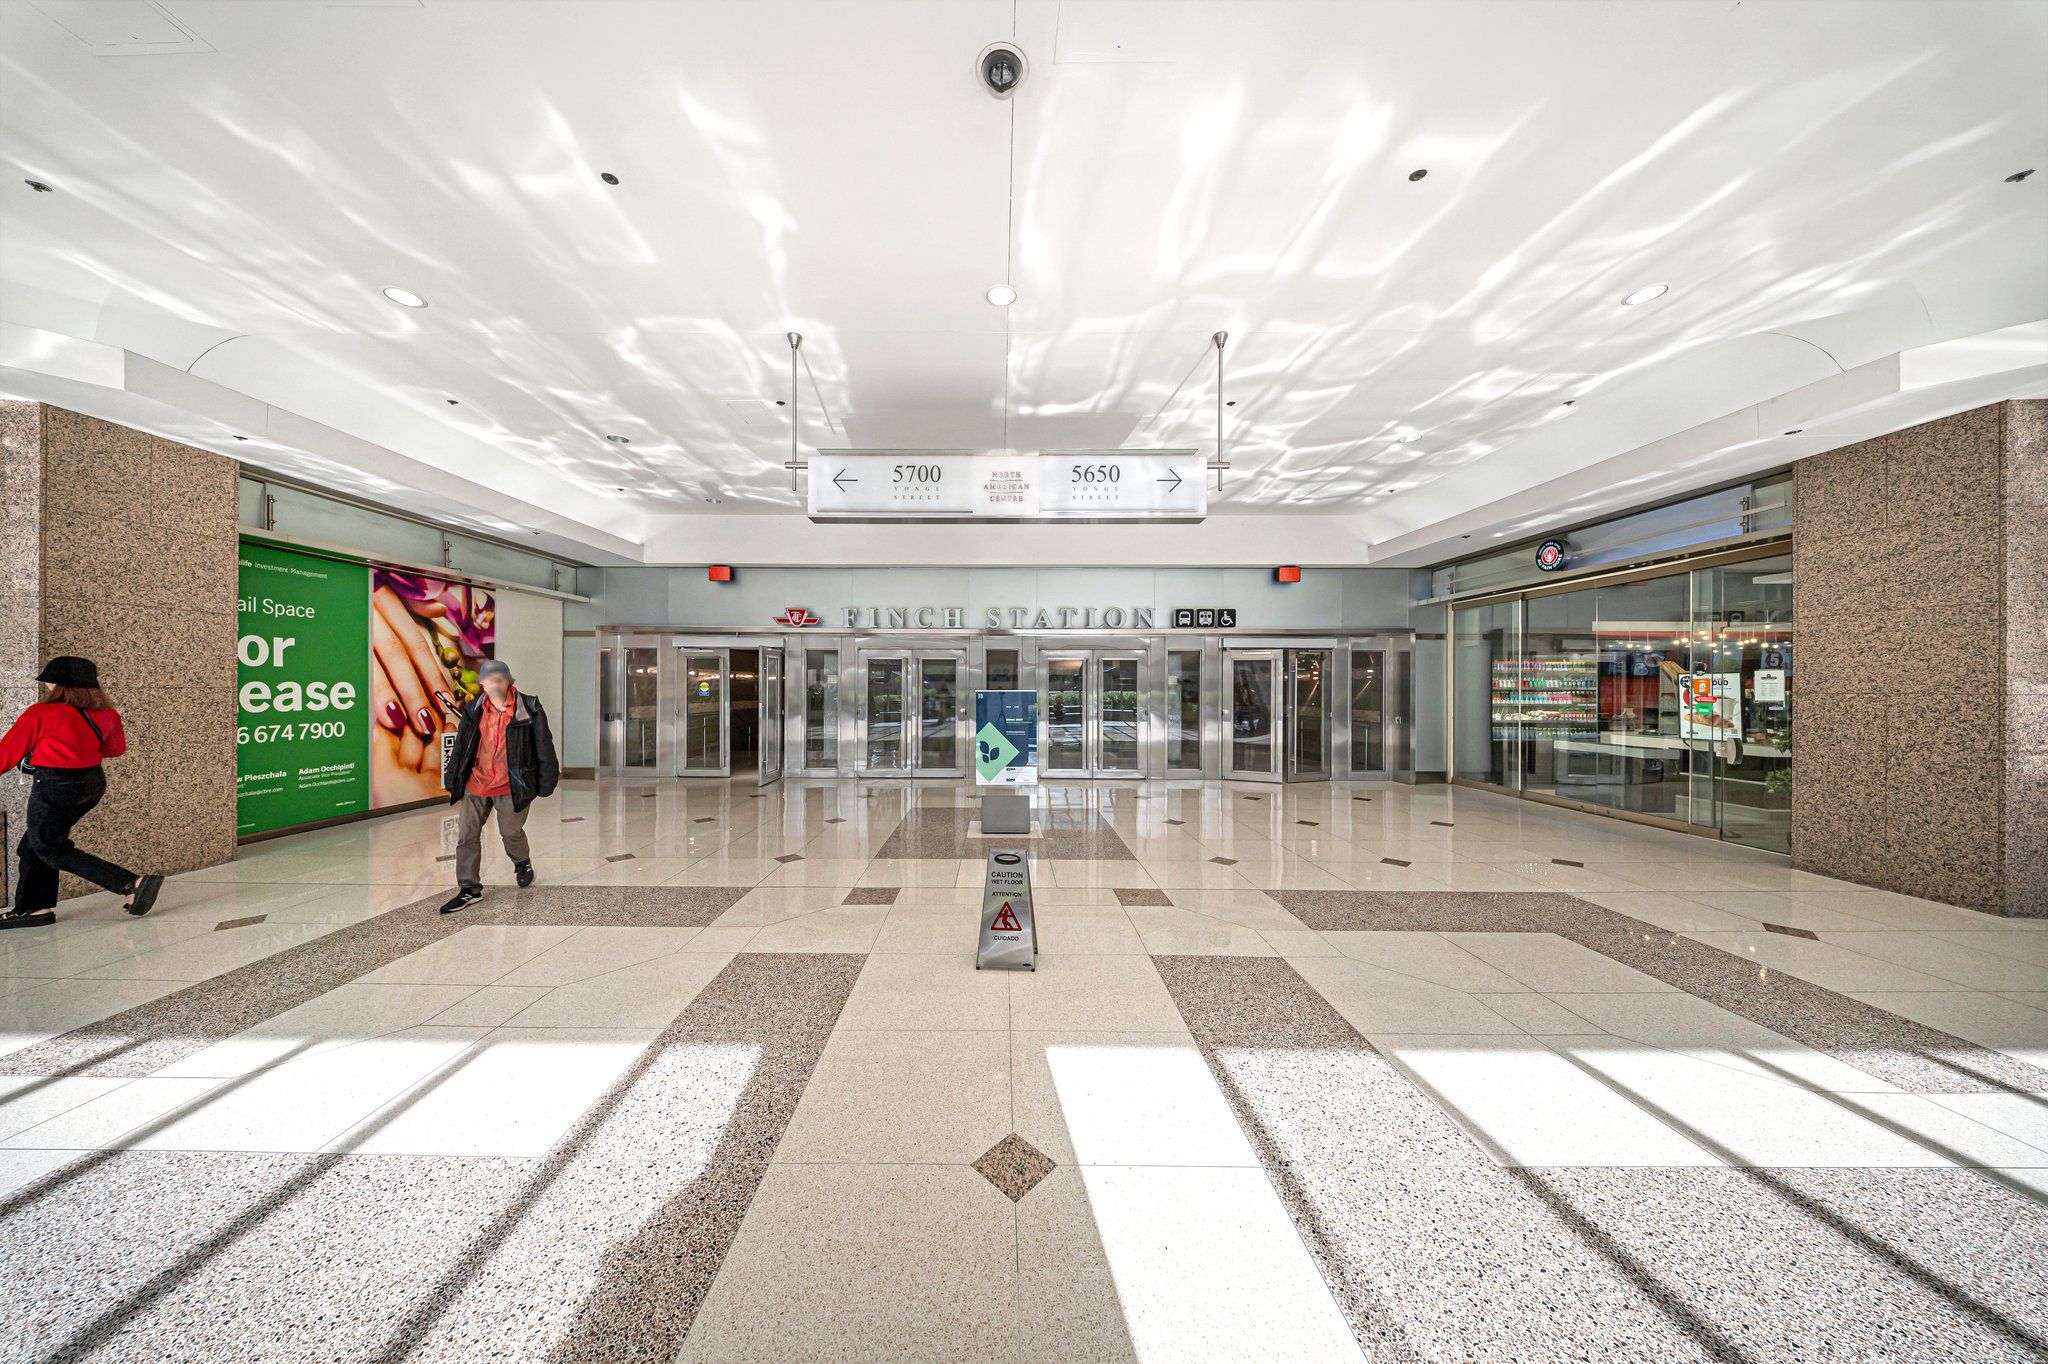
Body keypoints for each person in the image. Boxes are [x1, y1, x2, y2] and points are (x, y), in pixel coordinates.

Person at [0, 657, 163, 929]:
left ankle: (130, 883)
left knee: (50, 847)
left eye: (49, 681)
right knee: (35, 844)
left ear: (59, 685)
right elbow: (115, 749)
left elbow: (5, 755)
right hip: (91, 784)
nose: (47, 686)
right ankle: (34, 908)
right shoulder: (107, 714)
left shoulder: (40, 713)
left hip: (55, 786)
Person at [439, 659, 559, 914]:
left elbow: (543, 743)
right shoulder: (474, 709)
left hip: (511, 784)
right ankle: (469, 888)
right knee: (467, 835)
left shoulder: (529, 707)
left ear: (508, 681)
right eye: (489, 679)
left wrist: (547, 780)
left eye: (499, 679)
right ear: (481, 683)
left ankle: (522, 861)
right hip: (476, 783)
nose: (494, 684)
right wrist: (452, 780)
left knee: (510, 832)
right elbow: (461, 746)